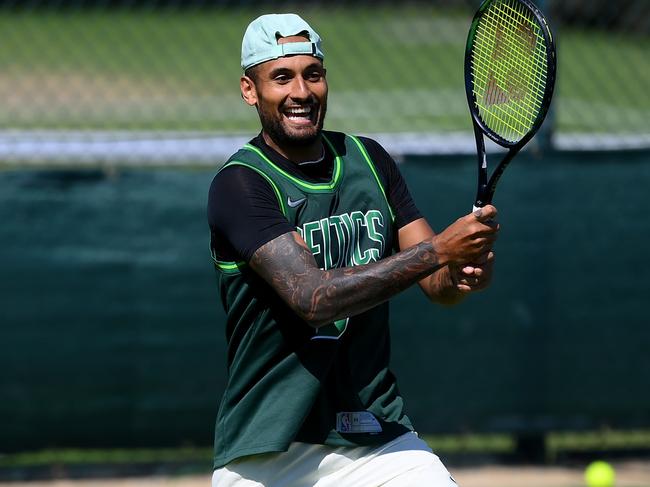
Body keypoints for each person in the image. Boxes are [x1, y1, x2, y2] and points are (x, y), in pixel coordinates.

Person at [207, 13, 498, 487]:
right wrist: (440, 250)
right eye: (282, 77)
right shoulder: (241, 185)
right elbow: (312, 298)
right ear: (249, 89)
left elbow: (438, 287)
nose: (301, 92)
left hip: (375, 439)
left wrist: (462, 270)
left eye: (313, 74)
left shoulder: (369, 160)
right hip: (269, 450)